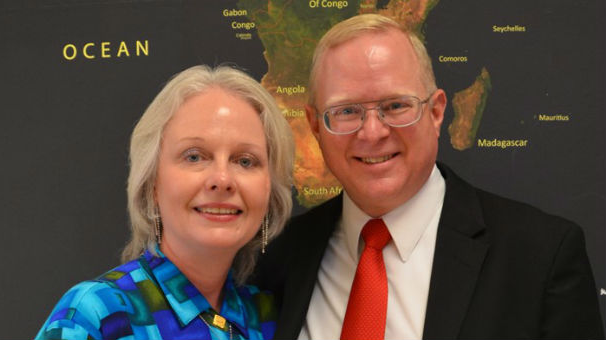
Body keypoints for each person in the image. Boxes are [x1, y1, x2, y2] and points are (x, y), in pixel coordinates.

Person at [254, 14, 604, 339]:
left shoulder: (541, 257)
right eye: (346, 111)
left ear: (436, 112)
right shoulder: (279, 258)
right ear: (315, 126)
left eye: (395, 106)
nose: (373, 132)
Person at [36, 65, 294, 340]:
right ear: (152, 183)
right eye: (194, 156)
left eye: (245, 161)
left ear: (270, 187)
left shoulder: (273, 319)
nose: (222, 179)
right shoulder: (98, 313)